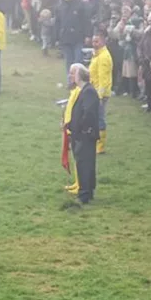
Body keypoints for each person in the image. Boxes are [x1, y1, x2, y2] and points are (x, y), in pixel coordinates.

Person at [65, 63, 100, 204]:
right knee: (85, 163)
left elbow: (89, 113)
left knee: (84, 164)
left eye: (73, 73)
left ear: (80, 75)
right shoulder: (84, 90)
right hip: (82, 133)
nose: (71, 76)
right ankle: (88, 191)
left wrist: (80, 129)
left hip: (85, 134)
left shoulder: (88, 91)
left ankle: (84, 194)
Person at [88, 34, 113, 155]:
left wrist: (100, 96)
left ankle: (101, 146)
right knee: (95, 117)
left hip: (100, 93)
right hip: (94, 90)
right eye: (93, 41)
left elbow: (103, 78)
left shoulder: (103, 57)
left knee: (100, 118)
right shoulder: (97, 54)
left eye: (97, 41)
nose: (94, 44)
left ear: (103, 42)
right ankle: (95, 142)